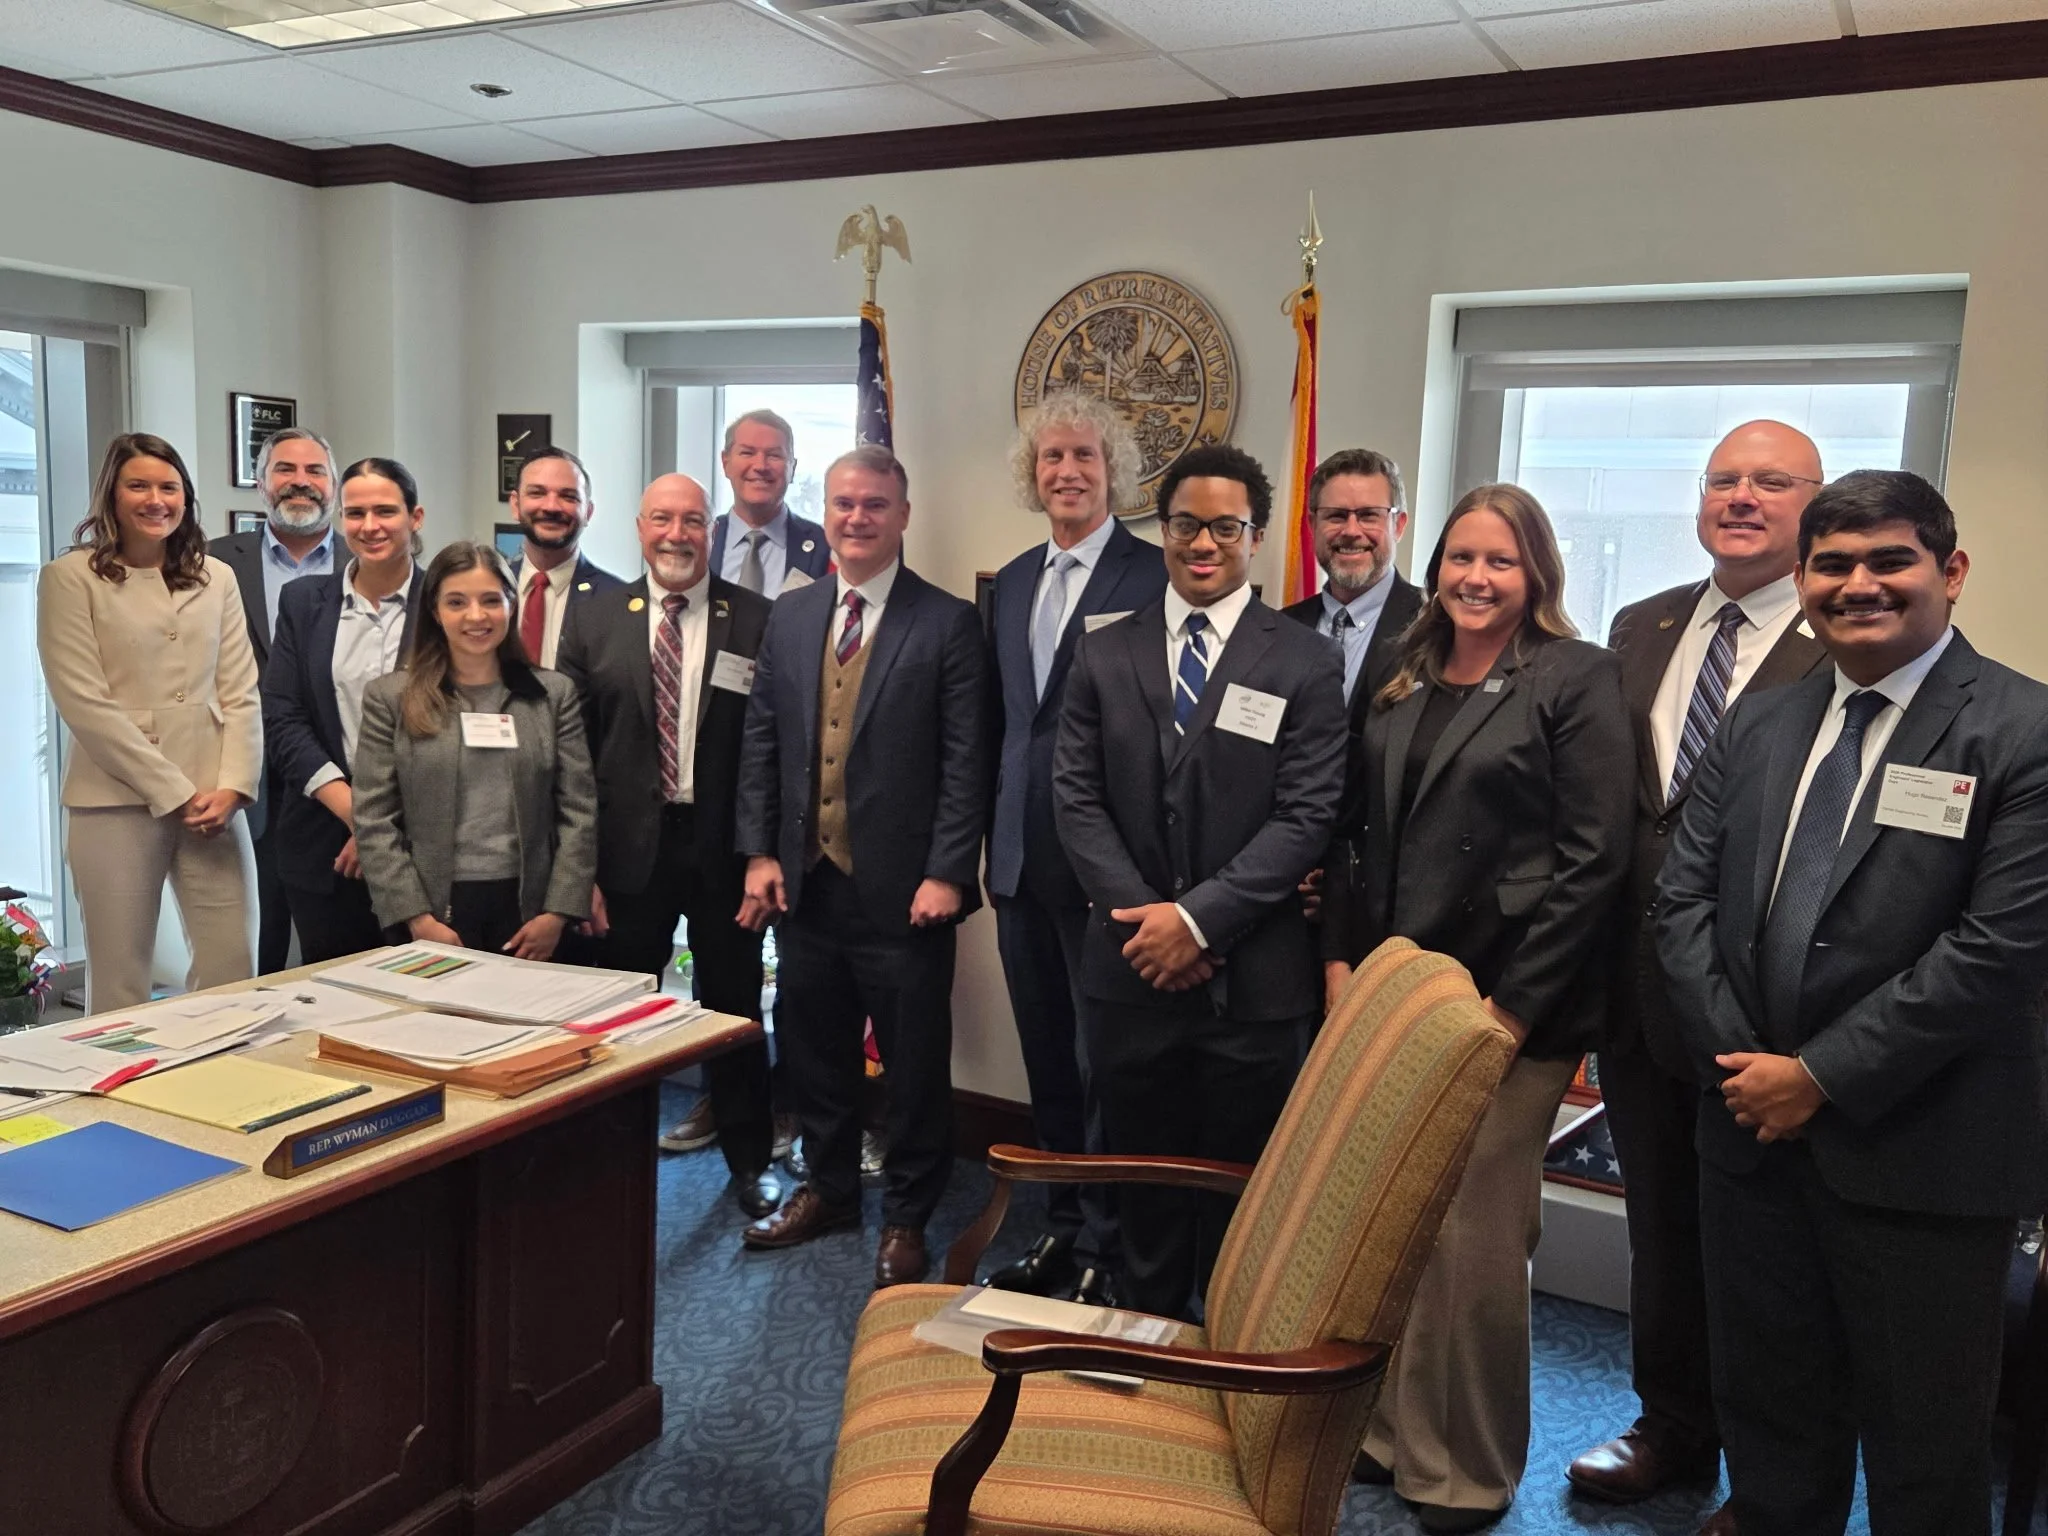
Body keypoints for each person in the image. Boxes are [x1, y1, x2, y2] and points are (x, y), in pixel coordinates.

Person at [1657, 470, 2048, 1536]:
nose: (1857, 584)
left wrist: (1817, 1077)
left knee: (1925, 1459)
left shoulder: (2022, 732)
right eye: (1831, 564)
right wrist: (1751, 1073)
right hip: (1750, 1144)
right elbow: (1680, 898)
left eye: (1889, 560)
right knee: (1772, 1434)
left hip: (1923, 1156)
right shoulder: (1758, 724)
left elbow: (1999, 949)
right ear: (1800, 577)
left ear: (1949, 572)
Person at [1323, 483, 1631, 1532]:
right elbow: (1356, 833)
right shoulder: (1405, 669)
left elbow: (1595, 863)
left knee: (1475, 1240)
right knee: (1391, 1223)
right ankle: (1387, 1435)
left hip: (1507, 1004)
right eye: (1460, 557)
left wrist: (1511, 1008)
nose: (1474, 578)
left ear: (1534, 572)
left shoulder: (1574, 676)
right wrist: (1342, 964)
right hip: (1398, 992)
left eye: (1499, 561)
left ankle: (1465, 1468)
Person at [1567, 421, 1828, 1514]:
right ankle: (1670, 1424)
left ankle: (1768, 1473)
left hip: (1757, 1000)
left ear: (1811, 505)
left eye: (1770, 483)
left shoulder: (1843, 637)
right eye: (1723, 479)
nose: (1740, 498)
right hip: (1634, 994)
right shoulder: (1641, 623)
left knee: (1763, 1250)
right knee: (1661, 1229)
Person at [1051, 443, 1347, 1321]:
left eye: (1226, 526)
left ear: (1256, 537)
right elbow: (1074, 796)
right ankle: (1142, 1354)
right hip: (1128, 974)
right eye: (1186, 524)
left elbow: (1307, 816)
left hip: (1252, 989)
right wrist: (1152, 925)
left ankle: (1225, 1370)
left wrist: (1200, 921)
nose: (1204, 543)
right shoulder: (1107, 650)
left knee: (1242, 1198)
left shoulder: (1303, 660)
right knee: (1139, 1187)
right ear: (1164, 529)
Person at [734, 445, 985, 1288]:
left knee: (912, 1067)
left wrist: (949, 871)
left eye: (875, 504)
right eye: (843, 503)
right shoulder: (795, 615)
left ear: (902, 516)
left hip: (907, 893)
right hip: (808, 886)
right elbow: (763, 741)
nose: (856, 517)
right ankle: (832, 1189)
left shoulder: (946, 622)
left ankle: (909, 1214)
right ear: (827, 510)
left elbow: (965, 760)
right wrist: (761, 851)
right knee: (815, 1054)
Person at [555, 473, 780, 1219]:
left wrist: (760, 853)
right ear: (638, 525)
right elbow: (573, 753)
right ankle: (610, 1163)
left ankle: (750, 1163)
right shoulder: (593, 618)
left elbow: (767, 748)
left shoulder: (755, 617)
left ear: (710, 530)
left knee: (735, 1010)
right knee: (620, 1015)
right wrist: (576, 869)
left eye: (691, 520)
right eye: (662, 519)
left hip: (722, 851)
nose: (677, 534)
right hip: (625, 858)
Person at [984, 392, 1166, 1307]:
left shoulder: (1153, 575)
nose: (1066, 472)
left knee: (1106, 1065)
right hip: (1017, 862)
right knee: (1047, 1059)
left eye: (1085, 457)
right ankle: (1059, 1230)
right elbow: (1007, 727)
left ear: (1114, 470)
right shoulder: (1012, 581)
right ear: (1033, 472)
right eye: (1051, 457)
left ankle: (1108, 1243)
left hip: (1105, 872)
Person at [36, 433, 261, 1012]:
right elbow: (84, 704)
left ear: (186, 496)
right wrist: (173, 790)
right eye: (138, 485)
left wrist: (235, 785)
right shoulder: (69, 578)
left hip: (214, 801)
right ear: (111, 494)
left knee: (232, 965)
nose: (156, 499)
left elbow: (240, 690)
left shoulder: (216, 577)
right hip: (113, 799)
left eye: (169, 486)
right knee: (120, 980)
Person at [352, 542, 597, 956]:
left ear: (511, 605)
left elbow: (579, 812)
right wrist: (417, 918)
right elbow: (374, 819)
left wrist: (557, 913)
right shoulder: (390, 699)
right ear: (435, 611)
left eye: (490, 600)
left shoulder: (553, 695)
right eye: (457, 602)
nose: (476, 616)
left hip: (529, 912)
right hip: (431, 912)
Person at [262, 457, 426, 963]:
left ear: (415, 518)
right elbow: (283, 718)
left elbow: (452, 728)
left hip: (421, 845)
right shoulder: (303, 600)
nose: (370, 526)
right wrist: (357, 816)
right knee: (335, 1006)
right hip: (322, 848)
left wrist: (380, 827)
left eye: (385, 511)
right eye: (355, 513)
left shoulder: (446, 602)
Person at [1280, 446, 1424, 1000]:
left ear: (1399, 524)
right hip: (1282, 901)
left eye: (1370, 515)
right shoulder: (1276, 631)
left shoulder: (1436, 632)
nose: (1352, 531)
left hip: (1380, 910)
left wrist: (1342, 887)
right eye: (1336, 515)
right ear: (1312, 524)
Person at [211, 426, 340, 973]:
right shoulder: (212, 561)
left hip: (335, 780)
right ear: (261, 485)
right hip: (243, 779)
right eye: (285, 470)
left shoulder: (369, 559)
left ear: (332, 485)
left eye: (314, 471)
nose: (300, 483)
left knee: (334, 943)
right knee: (248, 942)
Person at [507, 445, 623, 670]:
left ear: (588, 512)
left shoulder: (617, 603)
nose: (551, 506)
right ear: (516, 505)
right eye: (537, 493)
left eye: (568, 496)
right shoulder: (491, 589)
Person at [709, 409, 832, 597]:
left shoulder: (825, 545)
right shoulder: (701, 539)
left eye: (774, 455)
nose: (760, 466)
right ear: (726, 463)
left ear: (792, 467)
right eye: (747, 453)